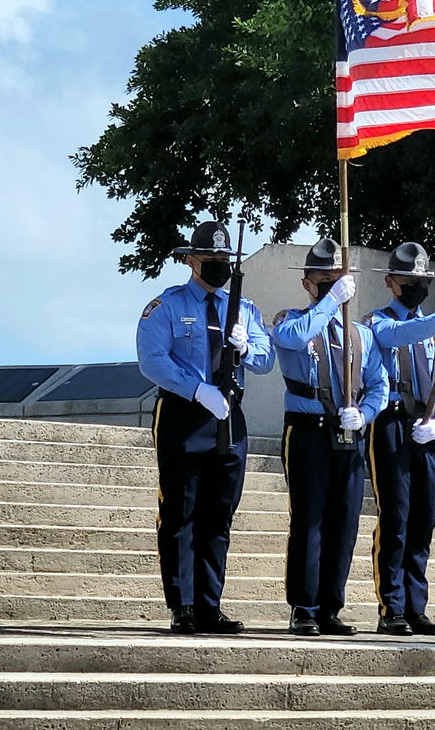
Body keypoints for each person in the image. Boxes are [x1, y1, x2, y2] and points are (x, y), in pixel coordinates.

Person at [136, 220, 274, 634]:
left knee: (220, 512)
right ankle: (183, 605)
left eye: (225, 259)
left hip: (229, 414)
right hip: (185, 412)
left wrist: (246, 346)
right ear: (191, 260)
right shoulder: (170, 305)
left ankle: (210, 604)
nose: (219, 266)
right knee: (181, 510)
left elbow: (266, 359)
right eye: (211, 259)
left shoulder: (244, 310)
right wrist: (196, 390)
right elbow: (152, 359)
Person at [271, 237, 389, 636]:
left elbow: (379, 384)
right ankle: (303, 606)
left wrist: (366, 414)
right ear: (308, 283)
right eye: (324, 279)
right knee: (309, 521)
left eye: (338, 278)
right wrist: (327, 302)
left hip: (347, 435)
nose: (332, 284)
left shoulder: (361, 334)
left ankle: (329, 606)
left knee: (344, 522)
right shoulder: (292, 319)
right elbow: (292, 338)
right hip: (308, 431)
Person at [364, 242, 435, 636]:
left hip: (429, 427)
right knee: (395, 517)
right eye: (409, 281)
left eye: (423, 281)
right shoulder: (376, 322)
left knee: (424, 519)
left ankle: (415, 605)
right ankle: (390, 605)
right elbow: (398, 336)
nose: (416, 287)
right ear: (391, 282)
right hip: (391, 423)